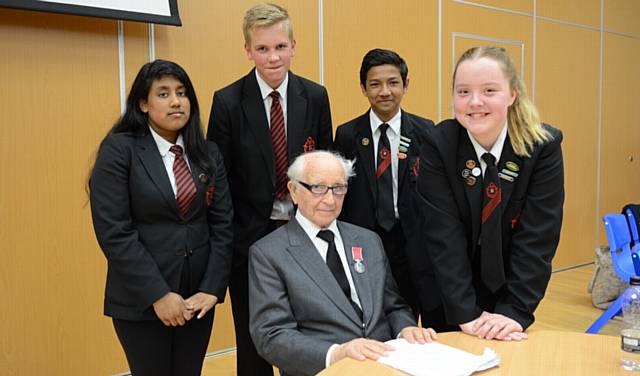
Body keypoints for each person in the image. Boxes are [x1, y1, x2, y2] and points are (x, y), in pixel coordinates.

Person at [206, 3, 332, 375]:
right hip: (249, 244)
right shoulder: (227, 102)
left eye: (280, 46)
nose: (272, 57)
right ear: (248, 50)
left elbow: (325, 168)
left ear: (293, 45)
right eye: (262, 49)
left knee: (307, 338)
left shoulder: (316, 96)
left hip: (306, 239)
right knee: (254, 345)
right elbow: (220, 181)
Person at [89, 60, 233, 375]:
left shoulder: (207, 154)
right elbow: (115, 232)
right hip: (142, 301)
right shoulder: (119, 150)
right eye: (163, 93)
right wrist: (158, 294)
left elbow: (223, 226)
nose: (176, 101)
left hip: (197, 300)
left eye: (182, 93)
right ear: (143, 103)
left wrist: (211, 288)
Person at [411, 46, 564, 340]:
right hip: (448, 290)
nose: (475, 102)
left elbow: (537, 239)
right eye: (463, 91)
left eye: (490, 90)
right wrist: (465, 313)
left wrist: (515, 311)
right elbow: (444, 237)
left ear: (512, 94)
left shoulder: (542, 147)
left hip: (510, 286)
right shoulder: (438, 144)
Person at [248, 151, 437, 376]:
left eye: (338, 188)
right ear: (294, 191)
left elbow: (393, 306)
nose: (330, 200)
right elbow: (271, 336)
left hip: (387, 364)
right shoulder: (269, 253)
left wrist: (405, 328)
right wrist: (336, 353)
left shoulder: (368, 240)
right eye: (318, 187)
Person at [334, 48, 434, 318]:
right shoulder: (347, 134)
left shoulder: (427, 132)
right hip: (366, 242)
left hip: (413, 242)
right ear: (363, 88)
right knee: (374, 318)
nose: (384, 91)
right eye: (375, 84)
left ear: (406, 85)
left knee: (417, 320)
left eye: (393, 82)